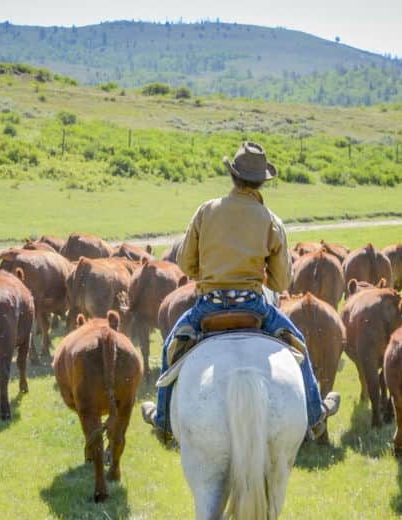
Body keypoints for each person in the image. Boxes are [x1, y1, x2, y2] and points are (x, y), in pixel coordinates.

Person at [140, 141, 340, 444]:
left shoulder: (206, 211)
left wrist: (210, 275)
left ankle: (164, 420)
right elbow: (282, 283)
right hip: (255, 308)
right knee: (300, 348)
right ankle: (314, 416)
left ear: (232, 176)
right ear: (262, 182)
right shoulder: (271, 220)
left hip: (209, 307)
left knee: (170, 351)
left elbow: (184, 263)